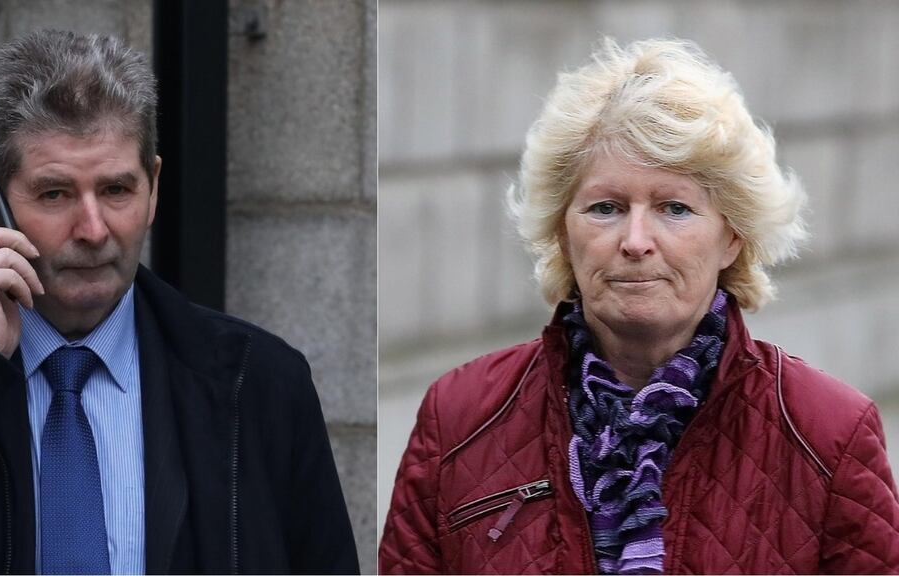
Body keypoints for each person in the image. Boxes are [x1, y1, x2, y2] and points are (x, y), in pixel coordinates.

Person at [380, 37, 899, 574]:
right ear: (562, 231)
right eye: (605, 208)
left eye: (674, 208)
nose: (635, 240)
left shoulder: (827, 434)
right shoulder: (460, 418)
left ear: (733, 237)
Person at [0, 29, 358, 574]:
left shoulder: (260, 381)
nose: (93, 228)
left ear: (152, 187)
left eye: (116, 190)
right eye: (55, 193)